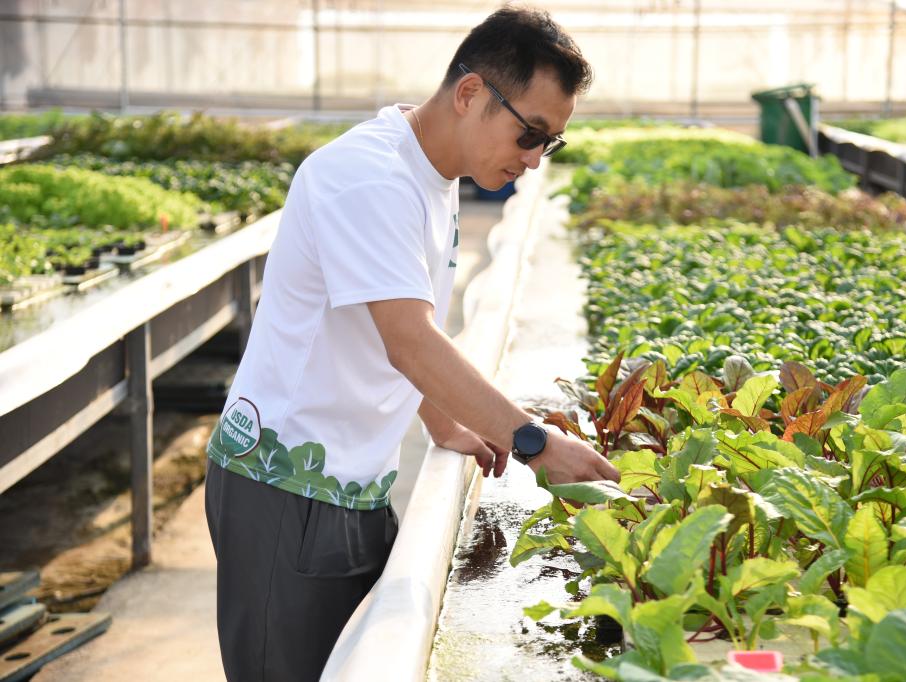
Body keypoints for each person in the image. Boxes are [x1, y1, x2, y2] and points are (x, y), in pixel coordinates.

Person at [203, 5, 620, 681]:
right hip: (285, 490)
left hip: (351, 483)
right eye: (530, 134)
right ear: (470, 94)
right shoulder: (370, 178)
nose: (533, 159)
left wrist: (444, 420)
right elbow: (409, 342)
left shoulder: (432, 172)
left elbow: (383, 324)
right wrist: (533, 442)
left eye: (549, 144)